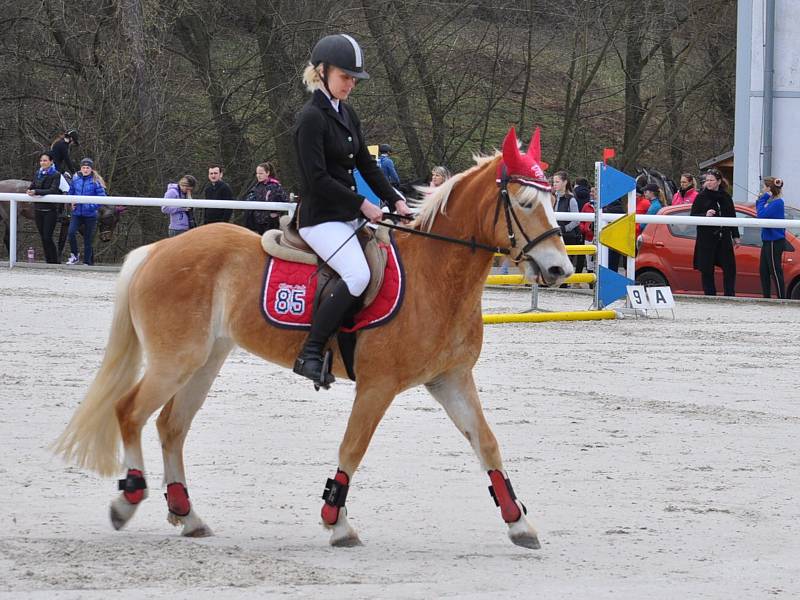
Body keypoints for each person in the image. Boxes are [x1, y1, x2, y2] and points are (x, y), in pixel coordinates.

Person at [292, 33, 413, 387]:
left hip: (346, 215)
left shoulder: (346, 112)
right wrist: (361, 203)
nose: (350, 85)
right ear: (322, 72)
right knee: (358, 275)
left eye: (353, 79)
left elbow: (366, 165)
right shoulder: (311, 118)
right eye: (345, 77)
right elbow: (316, 179)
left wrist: (394, 200)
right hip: (320, 219)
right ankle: (310, 353)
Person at [691, 168, 740, 296]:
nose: (708, 182)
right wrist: (705, 215)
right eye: (707, 180)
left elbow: (732, 216)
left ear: (718, 181)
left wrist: (736, 236)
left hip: (723, 238)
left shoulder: (726, 197)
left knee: (730, 268)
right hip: (706, 239)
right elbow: (693, 216)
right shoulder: (701, 197)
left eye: (711, 180)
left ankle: (730, 295)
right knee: (707, 270)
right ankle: (710, 295)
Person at [66, 158, 107, 265]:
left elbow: (102, 198)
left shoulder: (96, 181)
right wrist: (71, 202)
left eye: (87, 168)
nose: (85, 170)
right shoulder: (75, 179)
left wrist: (90, 207)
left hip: (90, 215)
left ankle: (87, 262)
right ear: (81, 168)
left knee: (88, 239)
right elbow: (70, 193)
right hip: (76, 213)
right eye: (83, 167)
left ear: (91, 169)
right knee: (70, 233)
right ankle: (75, 255)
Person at [26, 151, 63, 264]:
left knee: (47, 237)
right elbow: (33, 185)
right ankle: (48, 261)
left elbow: (53, 190)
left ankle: (54, 261)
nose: (43, 162)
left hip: (50, 210)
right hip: (38, 210)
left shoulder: (56, 174)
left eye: (45, 160)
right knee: (43, 237)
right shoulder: (38, 173)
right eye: (41, 160)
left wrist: (36, 191)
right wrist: (29, 190)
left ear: (51, 162)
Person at [756, 176, 786, 298]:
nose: (762, 189)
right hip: (768, 240)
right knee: (763, 271)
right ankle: (766, 297)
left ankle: (781, 298)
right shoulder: (773, 202)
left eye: (764, 186)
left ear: (769, 188)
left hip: (775, 241)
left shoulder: (777, 203)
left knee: (775, 270)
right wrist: (761, 200)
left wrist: (762, 199)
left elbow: (761, 215)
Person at [243, 162, 288, 234]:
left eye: (261, 173)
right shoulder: (257, 186)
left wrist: (275, 213)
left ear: (268, 173)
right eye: (257, 173)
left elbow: (285, 200)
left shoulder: (275, 186)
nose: (258, 176)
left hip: (270, 223)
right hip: (257, 222)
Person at [552, 171, 583, 272]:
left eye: (557, 182)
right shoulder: (553, 197)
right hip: (555, 235)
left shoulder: (571, 199)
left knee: (565, 262)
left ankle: (564, 283)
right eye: (554, 182)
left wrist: (564, 228)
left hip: (568, 236)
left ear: (565, 182)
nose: (554, 184)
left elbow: (576, 220)